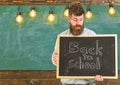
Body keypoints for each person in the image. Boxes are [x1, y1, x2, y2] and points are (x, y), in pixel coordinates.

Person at [52, 2, 103, 85]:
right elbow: (55, 57)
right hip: (66, 83)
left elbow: (99, 60)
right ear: (69, 19)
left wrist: (100, 73)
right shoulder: (62, 36)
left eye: (81, 19)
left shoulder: (92, 35)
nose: (78, 23)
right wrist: (55, 59)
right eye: (75, 20)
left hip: (87, 83)